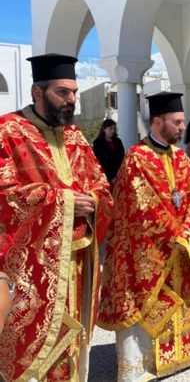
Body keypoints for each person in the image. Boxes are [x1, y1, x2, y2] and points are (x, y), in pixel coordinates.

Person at [0, 53, 113, 381]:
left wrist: (93, 200)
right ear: (38, 92)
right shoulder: (8, 131)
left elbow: (101, 185)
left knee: (71, 340)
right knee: (29, 343)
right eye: (62, 92)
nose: (72, 99)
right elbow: (5, 194)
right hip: (32, 267)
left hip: (77, 262)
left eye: (74, 92)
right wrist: (63, 202)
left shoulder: (75, 136)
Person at [98, 92, 190, 381]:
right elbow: (138, 206)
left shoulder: (182, 157)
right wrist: (174, 233)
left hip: (181, 246)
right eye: (177, 122)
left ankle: (181, 356)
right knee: (145, 299)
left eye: (182, 122)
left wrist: (188, 232)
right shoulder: (136, 158)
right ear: (157, 122)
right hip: (148, 250)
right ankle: (142, 366)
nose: (183, 127)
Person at [92, 118, 126, 189]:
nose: (113, 131)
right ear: (104, 129)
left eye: (114, 129)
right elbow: (100, 162)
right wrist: (111, 177)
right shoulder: (97, 143)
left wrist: (119, 174)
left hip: (119, 176)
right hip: (105, 177)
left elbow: (123, 158)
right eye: (110, 128)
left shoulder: (118, 141)